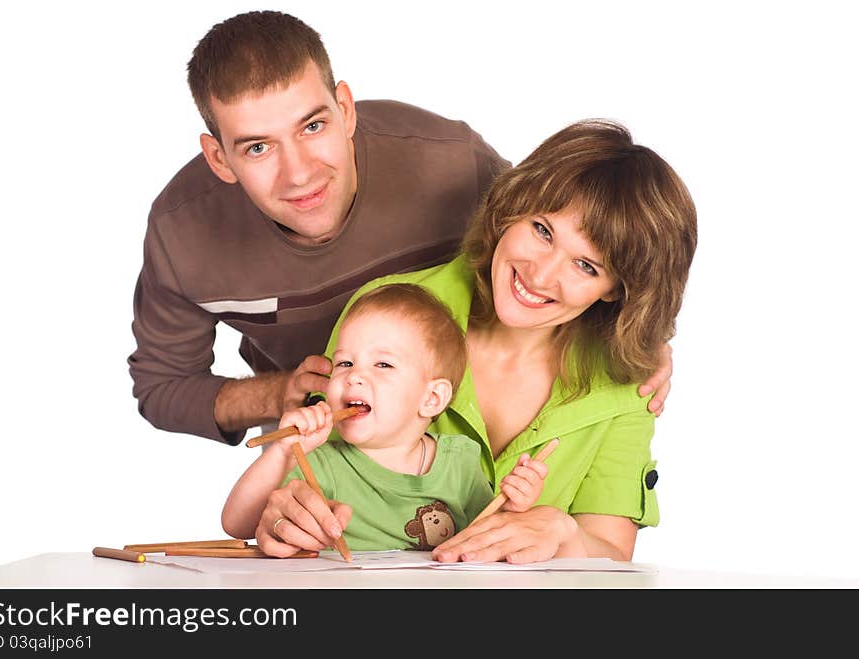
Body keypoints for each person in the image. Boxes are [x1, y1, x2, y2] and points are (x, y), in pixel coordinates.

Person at [127, 10, 673, 448]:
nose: (299, 174)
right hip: (316, 438)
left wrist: (644, 329)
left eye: (313, 126)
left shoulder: (451, 161)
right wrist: (280, 393)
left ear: (345, 107)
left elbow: (571, 240)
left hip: (463, 424)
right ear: (219, 159)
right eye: (258, 147)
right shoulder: (182, 234)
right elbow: (162, 388)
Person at [253, 119, 697, 564]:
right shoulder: (382, 314)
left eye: (586, 266)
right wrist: (287, 513)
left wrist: (565, 534)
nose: (541, 275)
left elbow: (611, 552)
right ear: (514, 208)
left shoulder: (627, 387)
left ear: (616, 289)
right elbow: (303, 472)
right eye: (542, 230)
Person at [221, 283, 549, 551]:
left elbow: (482, 539)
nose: (354, 377)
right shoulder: (320, 463)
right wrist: (281, 452)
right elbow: (237, 525)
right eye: (345, 363)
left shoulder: (459, 462)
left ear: (432, 398)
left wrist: (511, 508)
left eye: (383, 365)